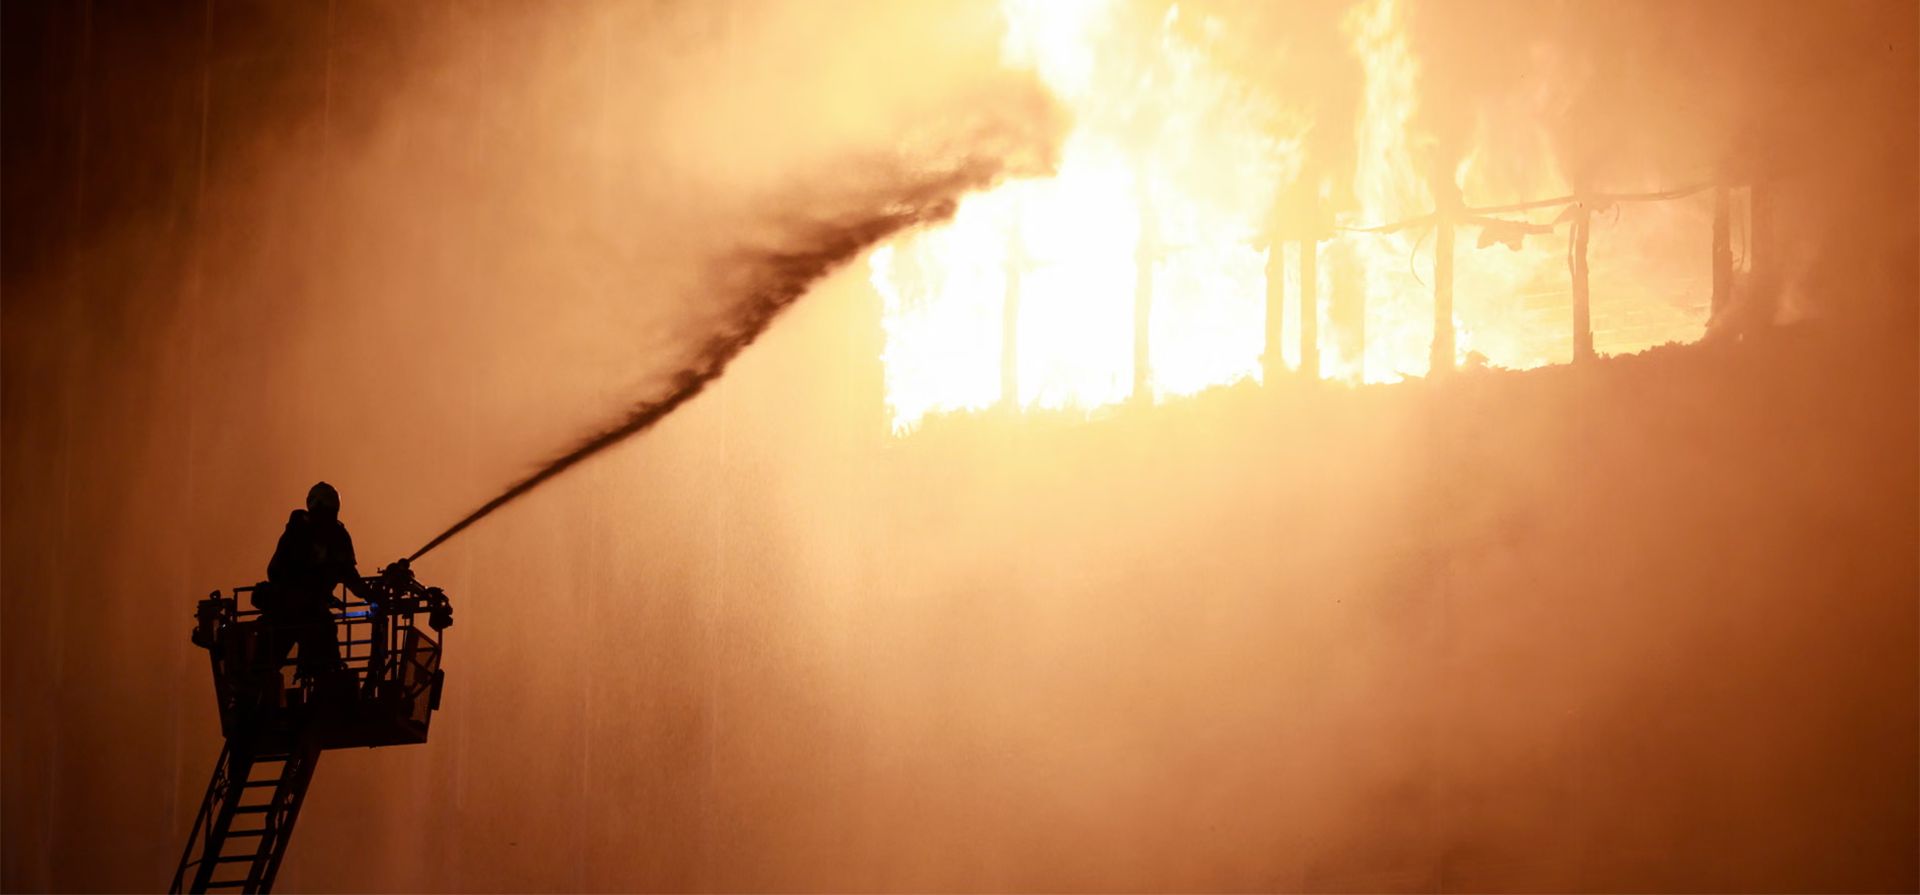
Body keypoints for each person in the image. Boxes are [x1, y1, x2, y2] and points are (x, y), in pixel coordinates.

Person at [264, 481, 364, 688]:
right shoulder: (311, 533)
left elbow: (347, 574)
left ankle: (256, 694)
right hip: (298, 611)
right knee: (324, 662)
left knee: (270, 661)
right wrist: (371, 594)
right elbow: (347, 574)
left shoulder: (309, 533)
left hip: (294, 612)